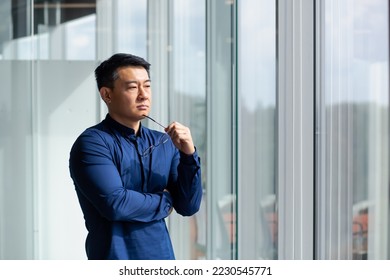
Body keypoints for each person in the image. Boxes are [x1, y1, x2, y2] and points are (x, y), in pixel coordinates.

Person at [69, 53, 202, 260]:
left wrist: (188, 154)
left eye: (147, 86)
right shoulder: (92, 143)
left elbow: (188, 206)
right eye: (132, 87)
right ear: (107, 95)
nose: (144, 95)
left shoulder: (165, 142)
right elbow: (116, 204)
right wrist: (166, 201)